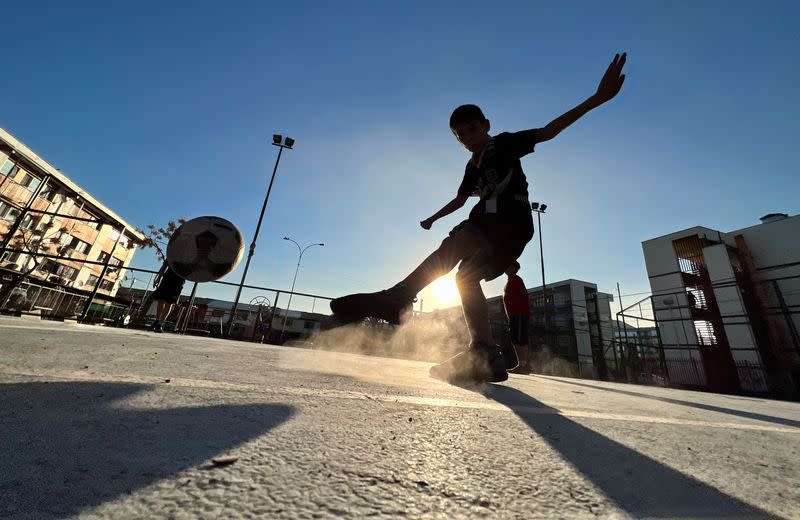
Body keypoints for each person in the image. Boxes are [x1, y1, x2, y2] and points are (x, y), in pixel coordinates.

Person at [331, 53, 627, 383]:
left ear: (486, 124)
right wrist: (432, 217)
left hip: (509, 221)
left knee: (463, 235)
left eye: (472, 128)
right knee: (464, 279)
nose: (468, 137)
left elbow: (549, 131)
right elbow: (460, 199)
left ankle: (398, 297)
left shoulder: (505, 144)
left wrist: (597, 98)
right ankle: (484, 351)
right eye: (460, 135)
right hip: (502, 235)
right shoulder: (472, 167)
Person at [504, 261, 531, 375]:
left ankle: (523, 366)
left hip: (519, 314)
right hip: (514, 315)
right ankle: (521, 364)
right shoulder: (510, 280)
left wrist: (522, 313)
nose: (506, 268)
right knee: (515, 339)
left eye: (508, 266)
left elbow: (524, 296)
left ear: (514, 268)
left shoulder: (517, 280)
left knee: (520, 339)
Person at [149, 261, 185, 333]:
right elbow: (164, 266)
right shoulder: (172, 252)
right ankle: (157, 320)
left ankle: (160, 324)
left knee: (169, 303)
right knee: (161, 300)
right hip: (167, 279)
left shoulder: (190, 254)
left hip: (179, 281)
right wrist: (158, 278)